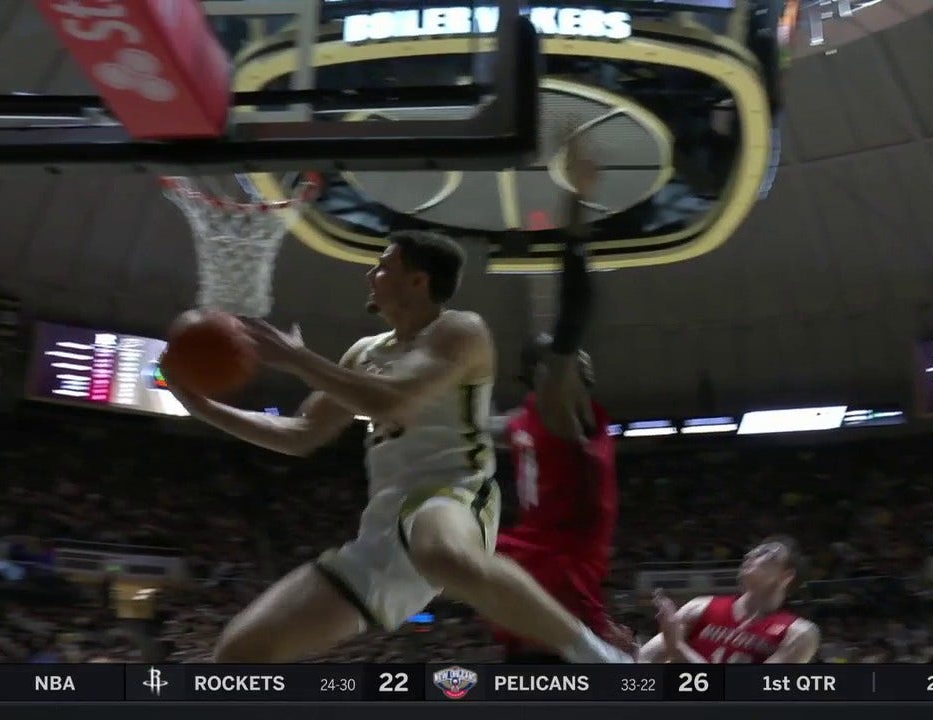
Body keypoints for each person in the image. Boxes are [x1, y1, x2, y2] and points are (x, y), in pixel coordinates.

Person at [165, 143, 630, 666]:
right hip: (384, 530)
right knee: (239, 653)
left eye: (382, 265)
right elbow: (300, 434)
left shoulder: (460, 331)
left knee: (437, 546)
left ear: (418, 281)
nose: (371, 274)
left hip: (453, 498)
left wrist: (300, 362)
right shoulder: (363, 353)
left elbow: (396, 403)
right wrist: (198, 403)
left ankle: (596, 656)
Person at [486, 137, 625, 663]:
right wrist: (575, 204)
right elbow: (575, 306)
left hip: (527, 572)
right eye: (563, 356)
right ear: (542, 373)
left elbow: (472, 424)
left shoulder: (520, 420)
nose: (575, 355)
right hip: (558, 571)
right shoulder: (556, 405)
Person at [639, 537, 819, 664]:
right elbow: (643, 660)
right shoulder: (700, 606)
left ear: (786, 576)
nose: (750, 555)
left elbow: (747, 696)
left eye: (766, 553)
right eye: (752, 551)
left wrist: (678, 649)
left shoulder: (799, 634)